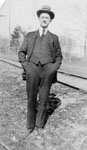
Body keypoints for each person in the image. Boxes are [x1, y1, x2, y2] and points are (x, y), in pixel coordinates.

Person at [18, 5, 62, 134]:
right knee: (31, 98)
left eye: (47, 17)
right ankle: (30, 126)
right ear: (39, 18)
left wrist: (53, 68)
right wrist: (26, 66)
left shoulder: (54, 38)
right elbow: (21, 52)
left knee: (43, 99)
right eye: (42, 17)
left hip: (47, 70)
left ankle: (39, 125)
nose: (44, 19)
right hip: (32, 69)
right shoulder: (30, 35)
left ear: (50, 21)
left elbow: (59, 55)